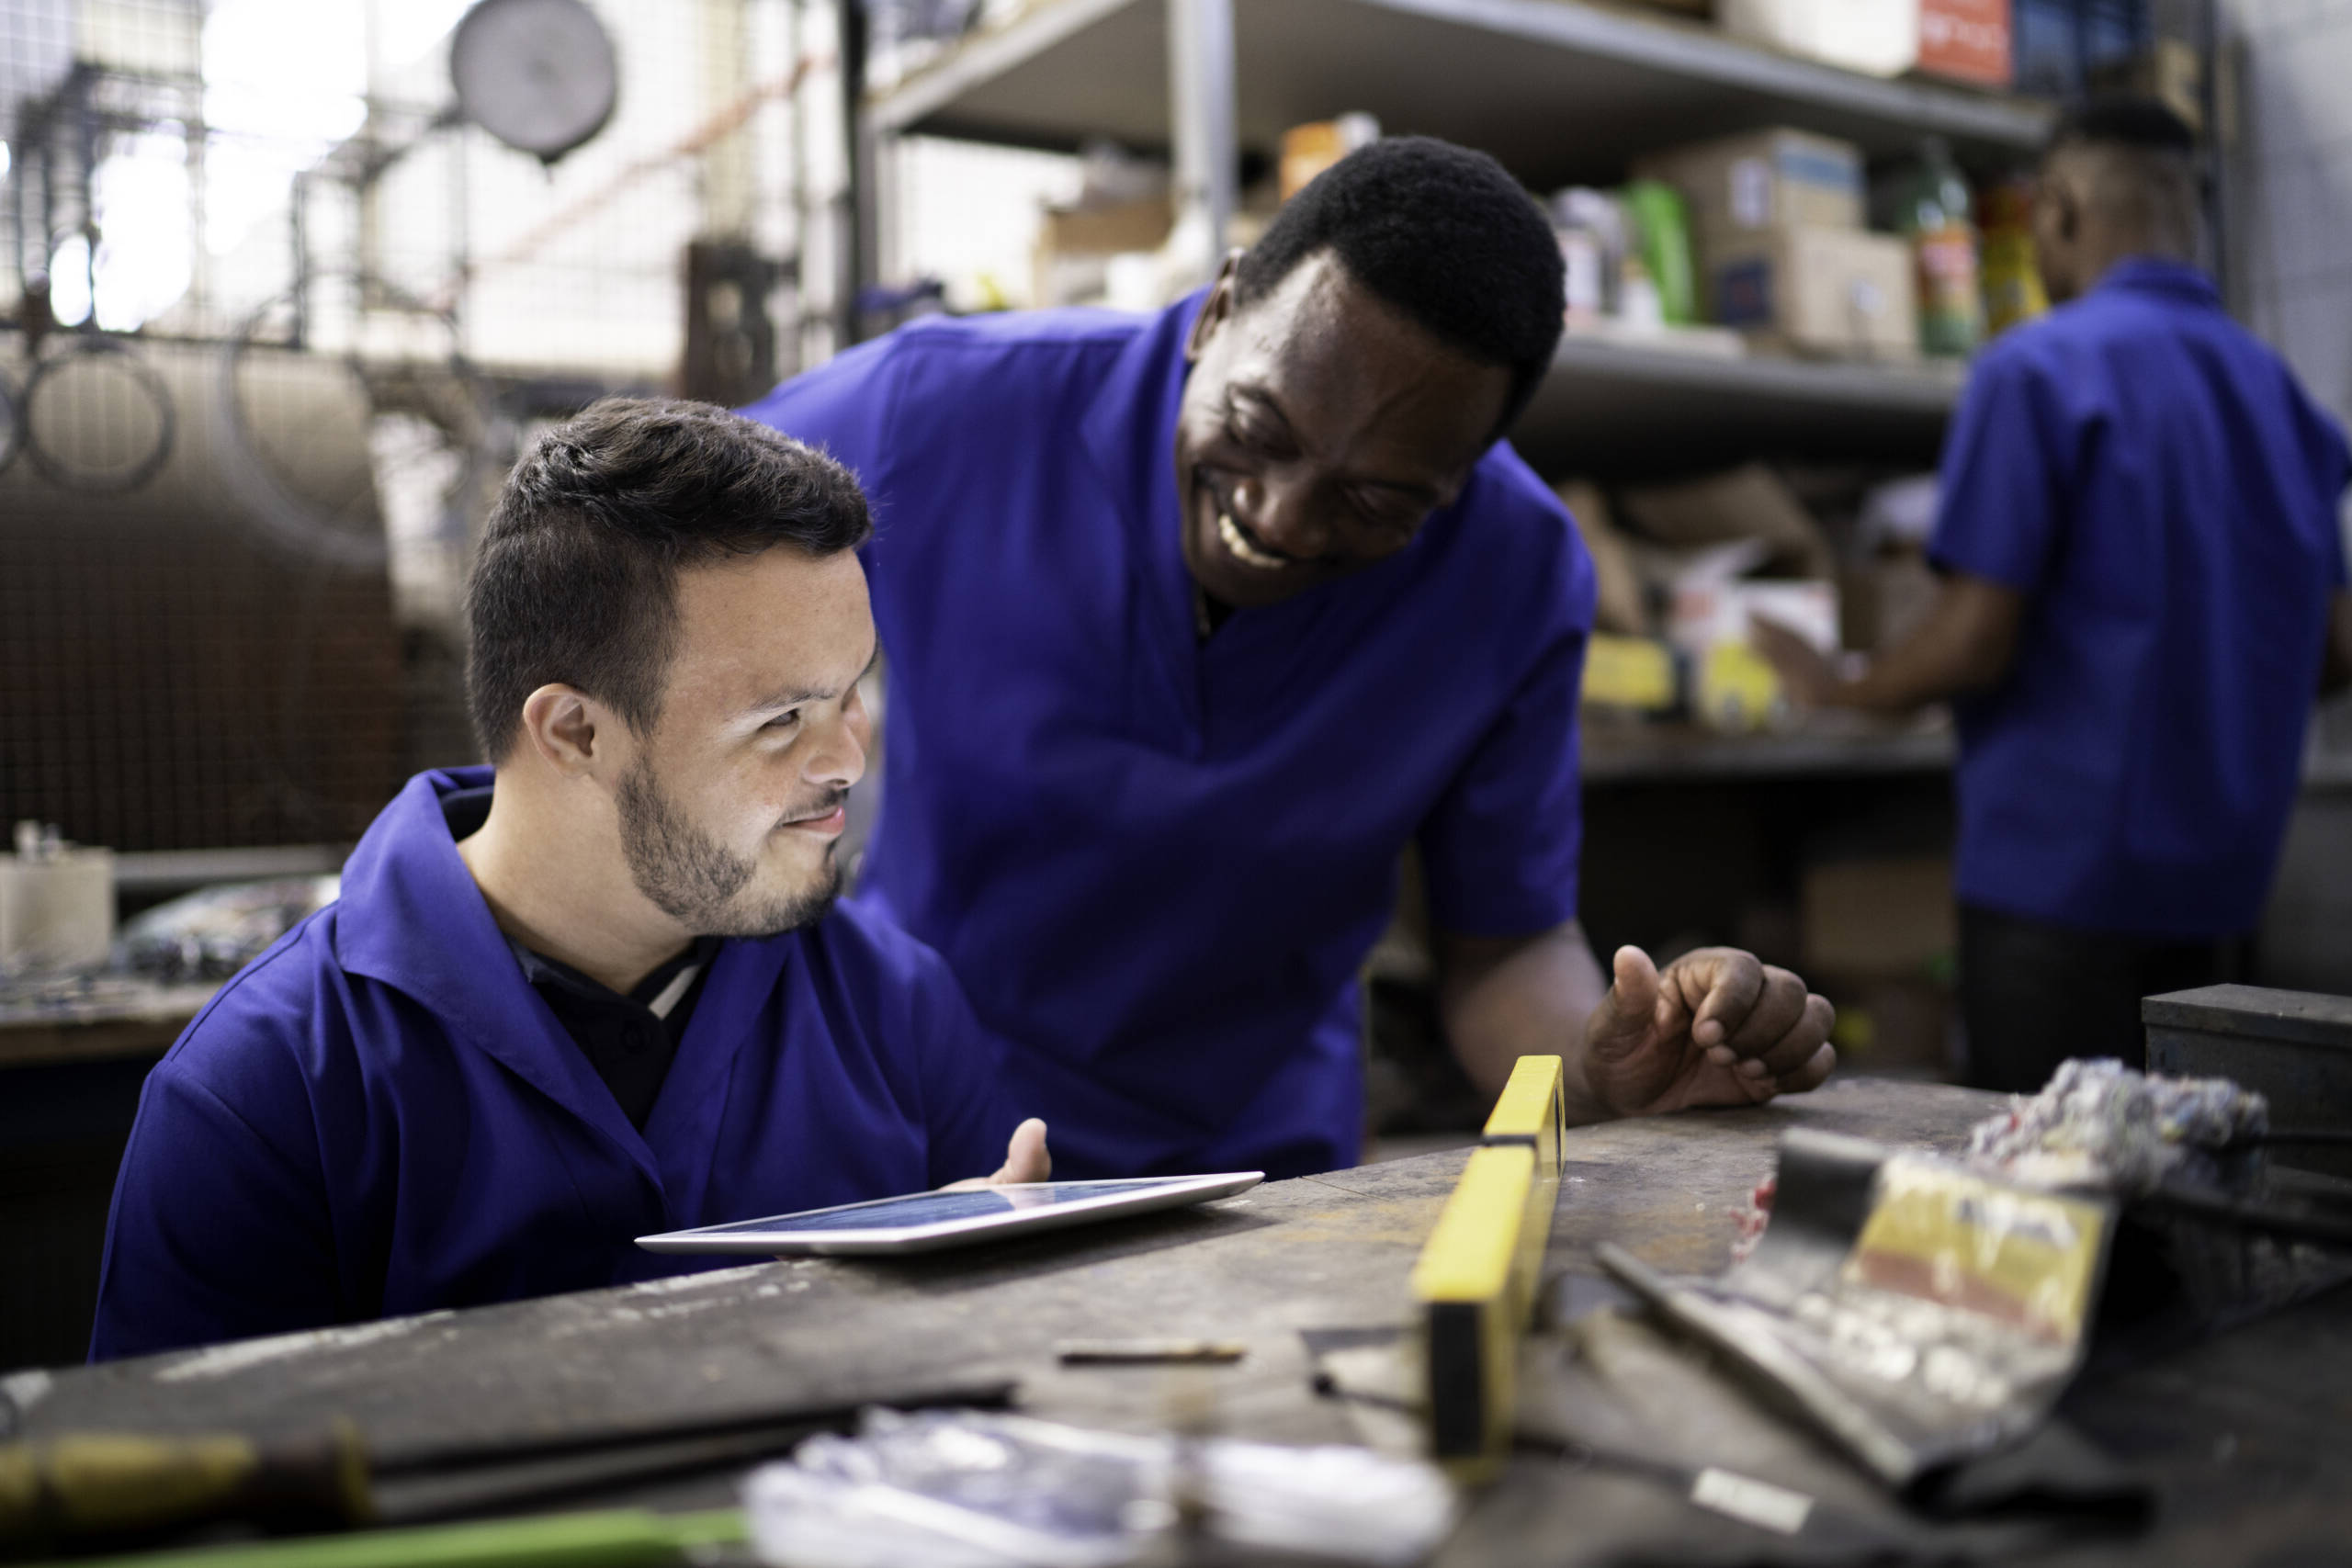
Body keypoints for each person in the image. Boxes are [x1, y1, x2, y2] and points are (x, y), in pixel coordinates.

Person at [743, 137, 1838, 1180]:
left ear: (1470, 464)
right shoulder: (935, 416)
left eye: (1378, 500)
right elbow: (630, 555)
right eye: (1260, 427)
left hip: (1255, 1168)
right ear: (1218, 312)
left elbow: (1502, 952)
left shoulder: (1514, 572)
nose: (1285, 521)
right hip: (920, 1122)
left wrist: (1600, 1076)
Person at [91, 400, 1048, 1360]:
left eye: (852, 694)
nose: (848, 759)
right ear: (575, 732)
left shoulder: (891, 1008)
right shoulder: (268, 1091)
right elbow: (179, 1492)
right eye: (782, 719)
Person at [1757, 99, 2352, 1093]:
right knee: (2187, 1195)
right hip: (2223, 889)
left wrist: (1838, 688)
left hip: (2058, 892)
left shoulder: (2034, 367)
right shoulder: (2281, 395)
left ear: (2063, 207)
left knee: (2057, 1215)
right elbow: (2337, 647)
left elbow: (1973, 639)